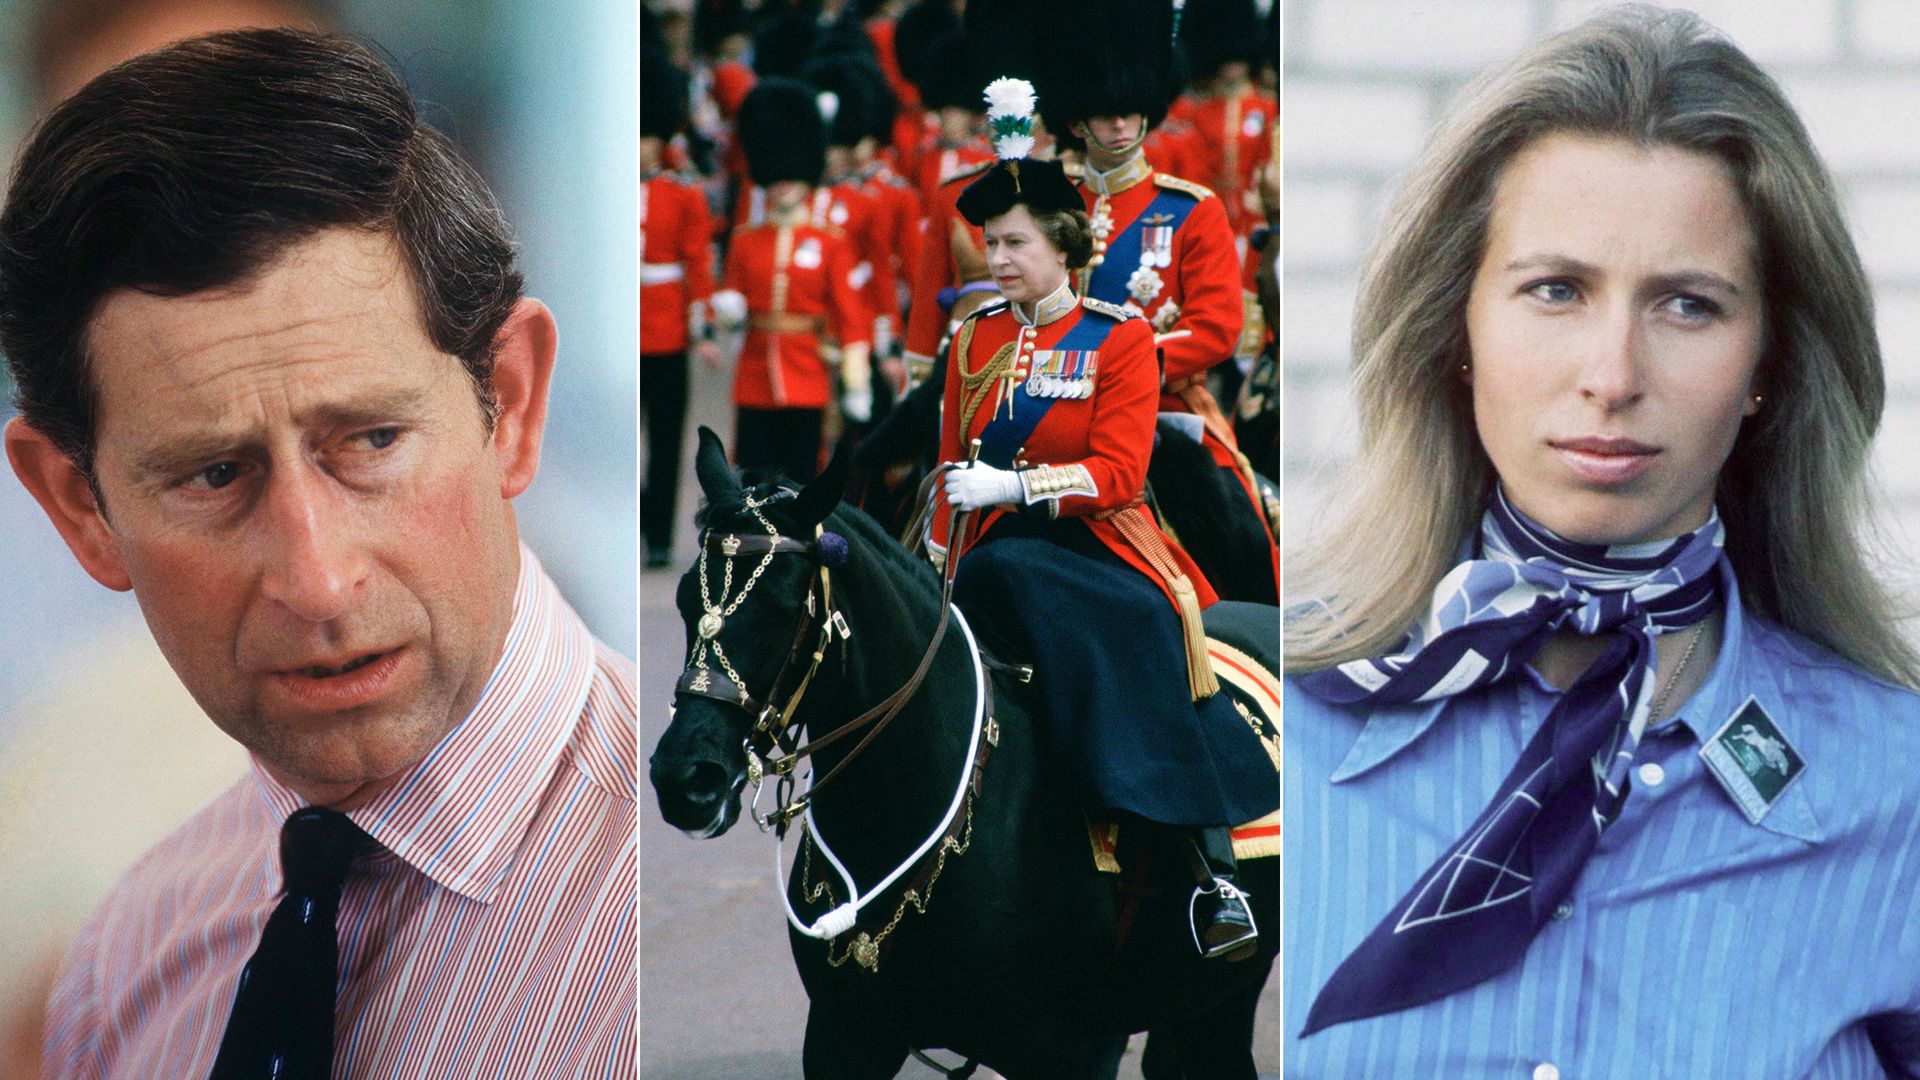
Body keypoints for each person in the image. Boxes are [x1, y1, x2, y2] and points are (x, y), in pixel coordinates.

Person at [1284, 9, 1920, 1074]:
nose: (1613, 374)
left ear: (1769, 362)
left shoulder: (1897, 785)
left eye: (1687, 304)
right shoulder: (1288, 734)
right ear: (1458, 329)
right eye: (1556, 290)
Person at [1, 30, 635, 1078]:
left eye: (372, 441)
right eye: (213, 476)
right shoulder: (126, 975)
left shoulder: (640, 921)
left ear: (511, 405)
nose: (316, 577)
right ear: (82, 510)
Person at [926, 79, 1277, 959]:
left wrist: (1014, 491)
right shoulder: (973, 338)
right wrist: (935, 542)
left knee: (1134, 638)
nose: (996, 260)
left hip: (1098, 542)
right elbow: (949, 459)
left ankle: (1208, 870)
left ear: (1060, 246)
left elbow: (1121, 474)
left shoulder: (1117, 338)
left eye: (1013, 244)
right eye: (990, 244)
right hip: (991, 547)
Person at [1036, 0, 1280, 605]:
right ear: (1076, 121)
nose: (1122, 127)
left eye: (1132, 113)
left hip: (1159, 410)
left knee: (1238, 530)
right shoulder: (1047, 207)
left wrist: (1129, 367)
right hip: (1047, 407)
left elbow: (1216, 328)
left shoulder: (1190, 210)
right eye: (1106, 114)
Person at [713, 76, 875, 484]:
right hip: (753, 379)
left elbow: (852, 318)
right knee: (750, 481)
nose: (783, 182)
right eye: (776, 175)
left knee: (801, 484)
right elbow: (731, 307)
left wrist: (856, 383)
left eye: (791, 175)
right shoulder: (746, 240)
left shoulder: (829, 243)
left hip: (807, 376)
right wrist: (728, 314)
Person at [642, 44, 720, 569]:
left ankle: (660, 536)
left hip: (667, 328)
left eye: (646, 136)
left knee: (667, 440)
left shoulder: (682, 193)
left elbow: (697, 262)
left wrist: (704, 328)